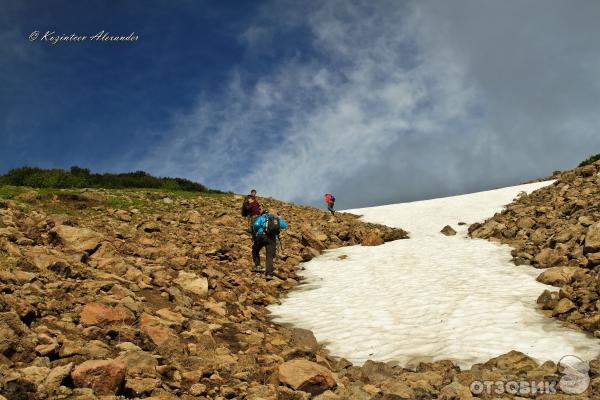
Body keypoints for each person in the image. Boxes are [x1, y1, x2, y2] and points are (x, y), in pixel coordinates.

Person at [251, 210, 287, 280]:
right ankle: (269, 274)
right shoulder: (276, 219)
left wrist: (257, 231)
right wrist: (280, 217)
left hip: (262, 236)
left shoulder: (262, 217)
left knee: (255, 250)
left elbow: (256, 225)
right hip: (272, 238)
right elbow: (284, 226)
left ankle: (257, 266)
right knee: (269, 256)